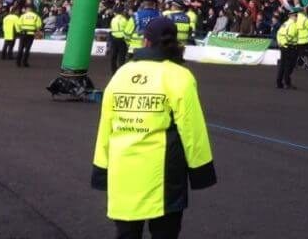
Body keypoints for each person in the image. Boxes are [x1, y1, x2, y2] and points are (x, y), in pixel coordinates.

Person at [92, 17, 216, 239]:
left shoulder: (121, 74)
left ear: (145, 41)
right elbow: (192, 128)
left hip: (123, 171)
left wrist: (101, 168)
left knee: (127, 234)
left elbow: (106, 126)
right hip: (164, 174)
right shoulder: (179, 76)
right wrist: (201, 171)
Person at [276, 9, 299, 90]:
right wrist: (287, 42)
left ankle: (279, 82)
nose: (297, 17)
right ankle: (287, 83)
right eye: (296, 16)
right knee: (289, 66)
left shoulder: (285, 23)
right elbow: (290, 36)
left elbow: (278, 33)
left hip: (283, 46)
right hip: (290, 47)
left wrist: (280, 42)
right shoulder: (293, 24)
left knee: (282, 65)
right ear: (293, 16)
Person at [17, 3, 43, 68]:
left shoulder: (23, 16)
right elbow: (39, 26)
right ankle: (25, 62)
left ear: (27, 9)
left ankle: (18, 62)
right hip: (31, 34)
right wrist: (38, 33)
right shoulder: (36, 16)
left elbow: (18, 24)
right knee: (27, 48)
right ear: (32, 9)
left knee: (21, 48)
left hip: (23, 33)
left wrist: (19, 31)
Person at [109, 6, 134, 74]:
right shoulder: (124, 19)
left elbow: (111, 28)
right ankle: (121, 71)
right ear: (122, 12)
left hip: (114, 38)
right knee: (121, 56)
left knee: (113, 56)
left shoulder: (113, 19)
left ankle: (113, 71)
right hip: (122, 39)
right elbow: (128, 29)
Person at [295, 6, 308, 70]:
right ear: (303, 12)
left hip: (297, 40)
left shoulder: (295, 19)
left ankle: (298, 64)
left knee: (299, 52)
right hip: (305, 40)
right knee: (305, 53)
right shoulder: (305, 19)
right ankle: (306, 64)